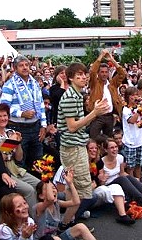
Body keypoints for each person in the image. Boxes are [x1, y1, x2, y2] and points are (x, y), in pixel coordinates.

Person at [55, 62, 110, 225]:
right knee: (80, 191)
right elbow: (72, 127)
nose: (84, 77)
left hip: (76, 146)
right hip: (72, 148)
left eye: (85, 74)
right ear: (70, 78)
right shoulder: (71, 97)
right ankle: (64, 223)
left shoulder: (77, 94)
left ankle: (67, 221)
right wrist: (94, 113)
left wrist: (94, 111)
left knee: (75, 190)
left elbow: (78, 125)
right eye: (79, 75)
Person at [0, 104, 40, 206]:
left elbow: (19, 158)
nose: (2, 119)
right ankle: (30, 218)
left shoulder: (10, 132)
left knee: (40, 185)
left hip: (15, 167)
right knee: (29, 190)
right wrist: (9, 144)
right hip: (2, 169)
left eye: (5, 115)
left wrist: (18, 143)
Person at [1, 55, 47, 169]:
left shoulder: (35, 83)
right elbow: (4, 108)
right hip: (18, 128)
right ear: (15, 68)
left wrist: (43, 125)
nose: (25, 68)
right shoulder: (9, 85)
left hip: (35, 126)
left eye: (27, 65)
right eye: (21, 65)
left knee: (38, 160)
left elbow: (41, 104)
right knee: (20, 161)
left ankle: (41, 185)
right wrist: (21, 113)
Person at [99, 140, 142, 213]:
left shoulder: (120, 158)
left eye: (116, 147)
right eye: (111, 148)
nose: (115, 149)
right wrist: (103, 179)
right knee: (122, 179)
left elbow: (122, 173)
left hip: (120, 181)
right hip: (108, 185)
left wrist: (134, 180)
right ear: (106, 150)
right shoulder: (101, 162)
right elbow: (101, 183)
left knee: (128, 178)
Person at [33, 181, 99, 240]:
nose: (53, 190)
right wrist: (46, 178)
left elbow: (76, 202)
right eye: (48, 189)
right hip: (43, 239)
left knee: (81, 227)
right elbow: (50, 199)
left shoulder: (57, 204)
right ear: (41, 196)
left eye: (53, 187)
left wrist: (70, 183)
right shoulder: (39, 207)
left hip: (56, 237)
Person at [87, 50, 127, 141]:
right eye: (102, 72)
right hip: (97, 116)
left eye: (106, 72)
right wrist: (100, 56)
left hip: (109, 116)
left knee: (108, 142)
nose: (104, 74)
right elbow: (92, 72)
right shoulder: (95, 83)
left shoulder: (112, 84)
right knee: (94, 137)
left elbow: (122, 74)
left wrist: (112, 59)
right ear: (99, 73)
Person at [120, 87, 142, 180]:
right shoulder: (126, 110)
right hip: (130, 142)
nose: (135, 97)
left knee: (139, 165)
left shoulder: (140, 107)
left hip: (140, 141)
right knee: (131, 167)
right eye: (132, 95)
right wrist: (140, 108)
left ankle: (139, 185)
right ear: (128, 97)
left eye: (136, 95)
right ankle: (132, 186)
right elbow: (132, 120)